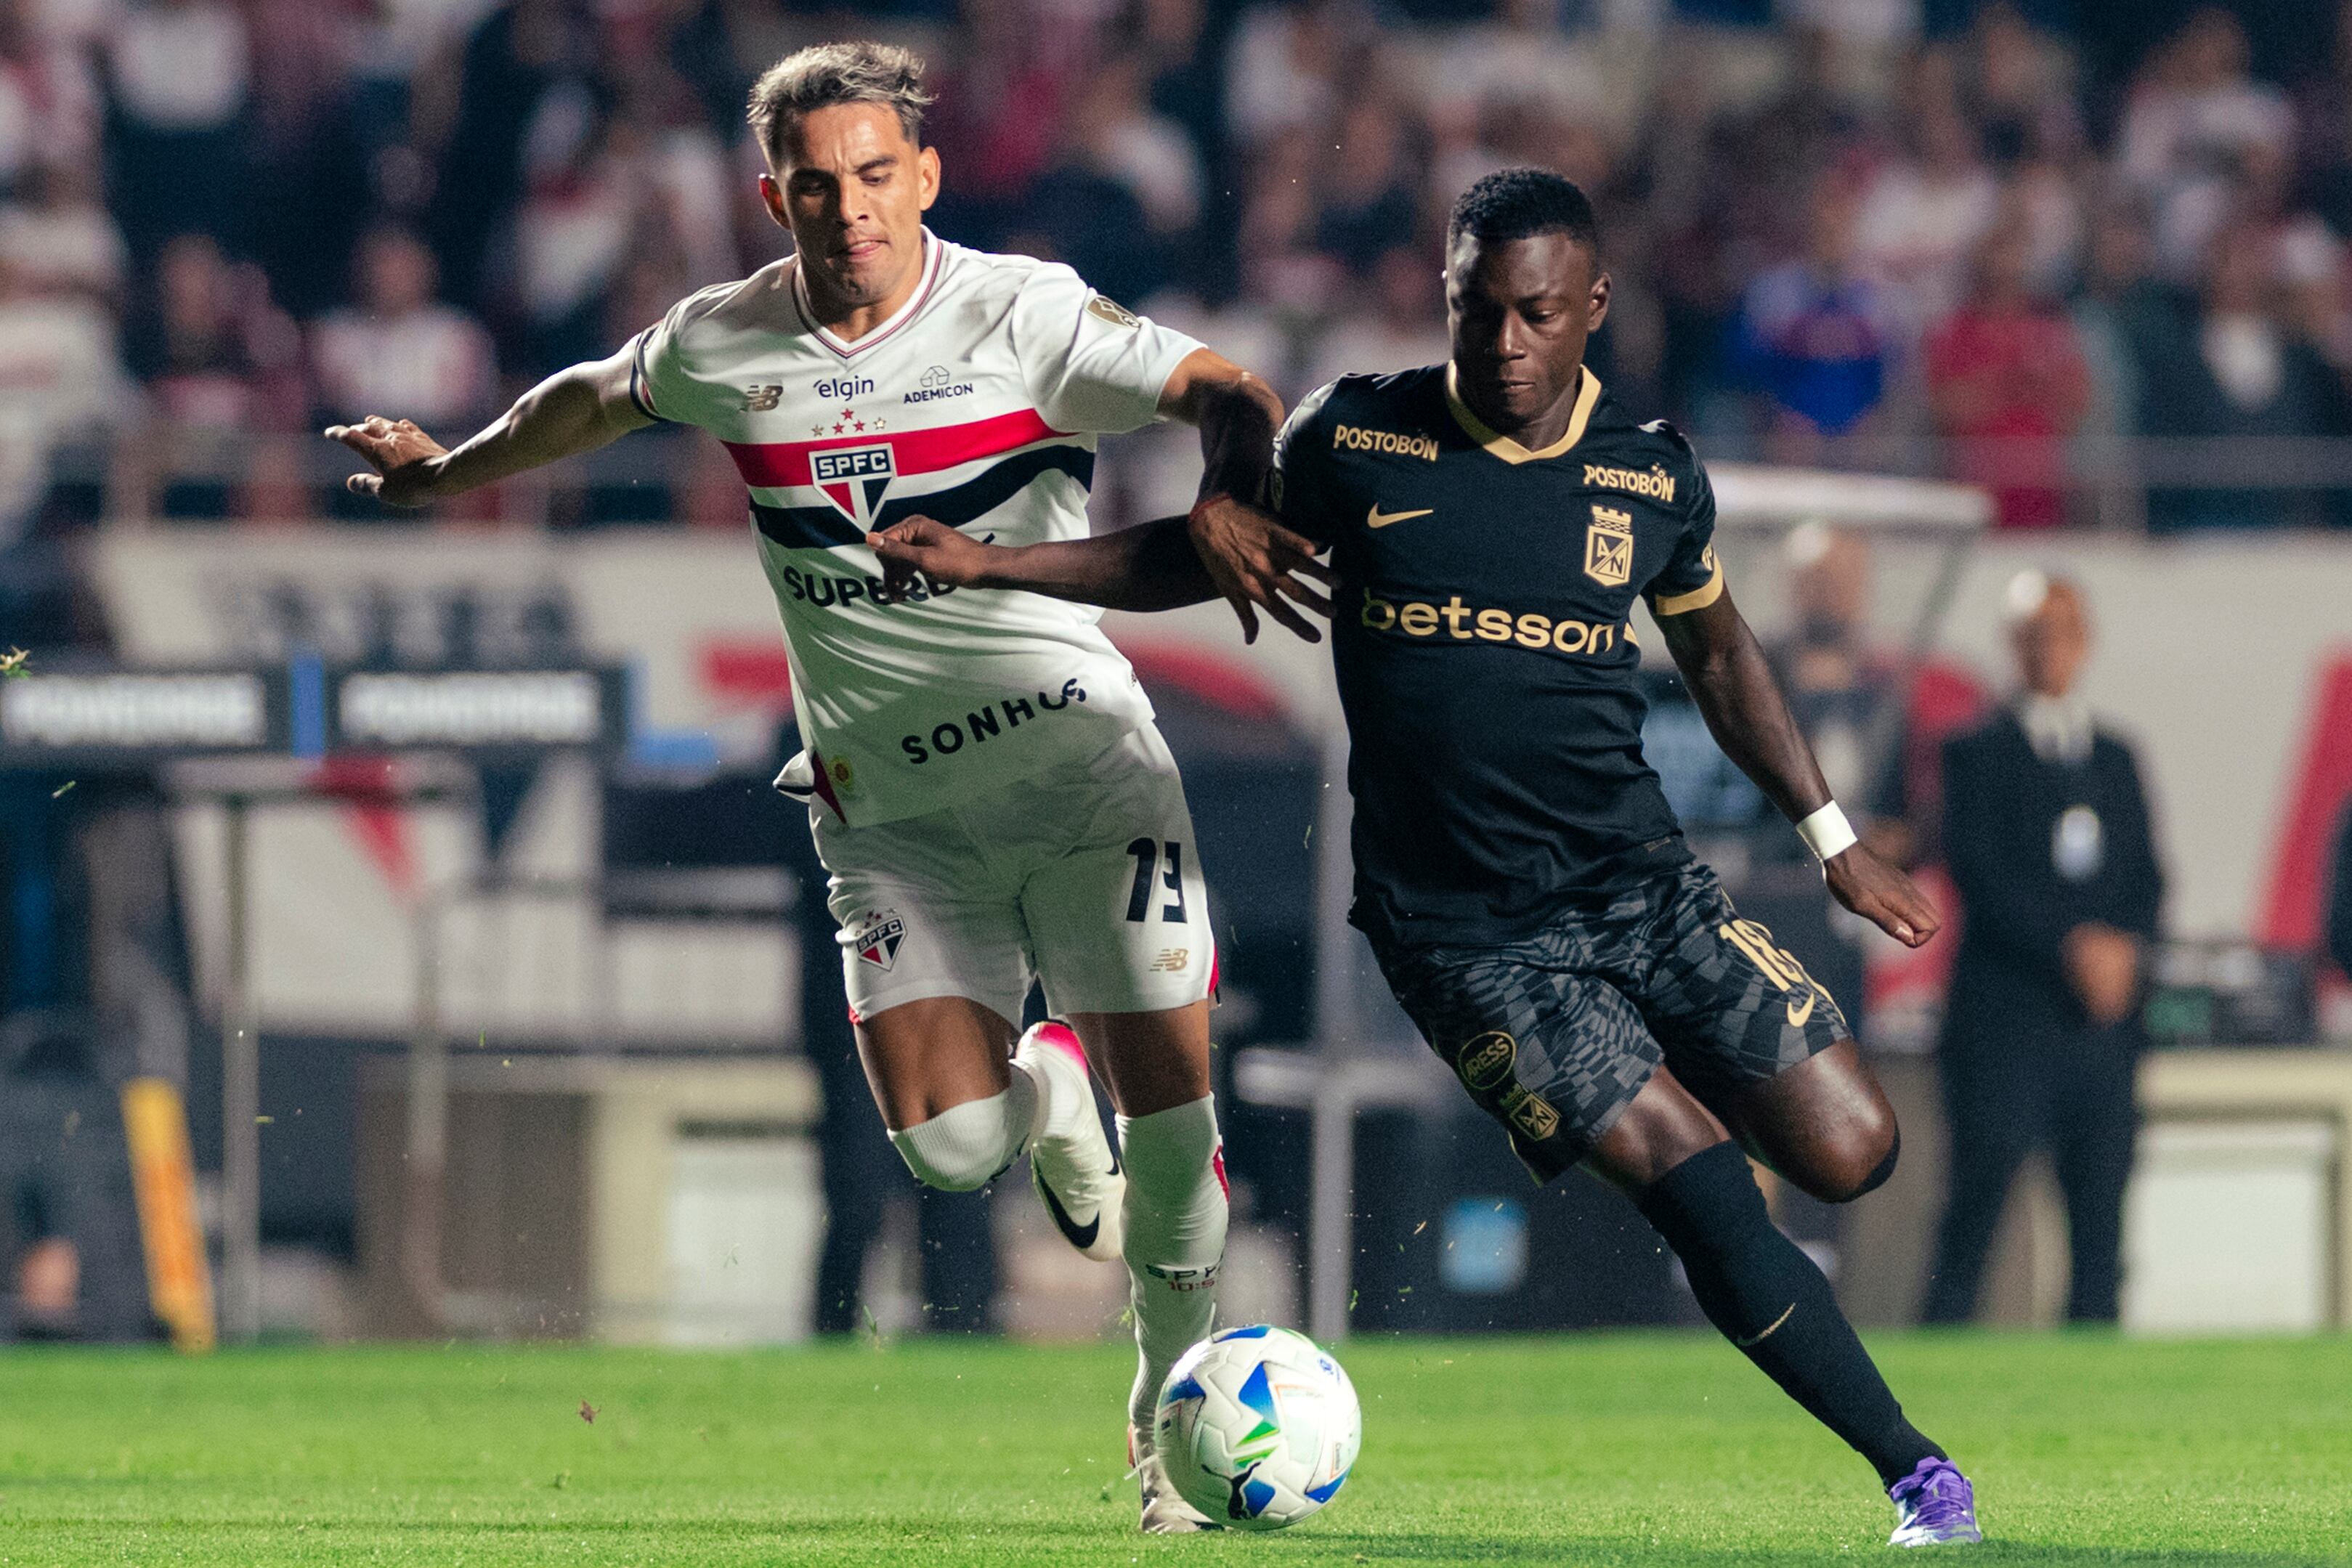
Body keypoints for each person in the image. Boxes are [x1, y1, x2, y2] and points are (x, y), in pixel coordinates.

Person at [872, 168, 1983, 1549]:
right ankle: (1917, 1474)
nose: (1501, 344)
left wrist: (1827, 836)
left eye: (1531, 315)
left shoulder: (1648, 468)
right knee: (1699, 1186)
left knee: (1850, 1148)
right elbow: (1202, 552)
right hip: (1466, 936)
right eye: (1474, 311)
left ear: (1591, 308)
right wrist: (991, 566)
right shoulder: (1360, 436)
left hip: (1639, 883)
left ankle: (1675, 1077)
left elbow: (1715, 650)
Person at [325, 41, 1307, 1532]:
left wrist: (1232, 488)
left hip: (1078, 767)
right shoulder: (726, 340)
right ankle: (1044, 1082)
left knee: (1173, 1128)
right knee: (952, 1148)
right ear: (770, 193)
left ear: (920, 175)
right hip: (888, 810)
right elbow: (591, 399)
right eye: (812, 185)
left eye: (871, 176)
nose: (846, 208)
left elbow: (1227, 388)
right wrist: (444, 471)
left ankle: (1168, 1403)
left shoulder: (1021, 309)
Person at [1924, 572, 2163, 1328]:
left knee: (2100, 1224)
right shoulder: (1973, 753)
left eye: (2062, 630)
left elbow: (2147, 876)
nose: (2048, 647)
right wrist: (2070, 944)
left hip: (2098, 1029)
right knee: (1976, 1209)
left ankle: (2097, 1391)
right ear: (2011, 643)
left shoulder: (2117, 756)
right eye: (2033, 632)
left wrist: (2124, 949)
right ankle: (1937, 1376)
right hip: (2005, 1021)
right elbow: (1980, 873)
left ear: (2083, 641)